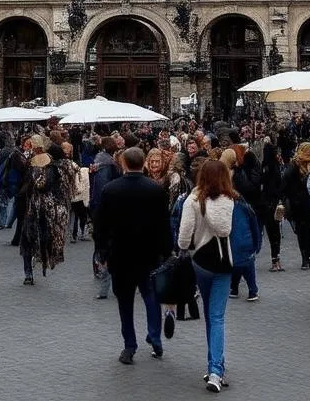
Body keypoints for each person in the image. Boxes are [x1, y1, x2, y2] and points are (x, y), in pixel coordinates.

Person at [94, 146, 173, 364]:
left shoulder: (110, 190)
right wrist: (167, 252)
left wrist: (101, 251)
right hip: (149, 253)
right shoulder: (155, 190)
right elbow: (164, 225)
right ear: (143, 163)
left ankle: (129, 345)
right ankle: (155, 337)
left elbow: (100, 224)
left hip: (120, 253)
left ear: (124, 164)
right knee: (151, 296)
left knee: (125, 301)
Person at [178, 158, 236, 393]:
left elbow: (183, 237)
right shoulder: (230, 200)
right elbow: (225, 229)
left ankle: (215, 365)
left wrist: (184, 248)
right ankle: (216, 369)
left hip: (201, 262)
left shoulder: (192, 199)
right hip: (223, 263)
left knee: (210, 316)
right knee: (218, 316)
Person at [17, 137, 71, 285]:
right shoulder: (46, 165)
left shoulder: (51, 166)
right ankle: (29, 272)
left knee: (36, 239)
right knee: (30, 239)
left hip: (42, 210)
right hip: (37, 209)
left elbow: (43, 185)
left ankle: (32, 269)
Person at [89, 134, 122, 299]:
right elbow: (105, 188)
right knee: (107, 245)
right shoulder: (108, 162)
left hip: (100, 208)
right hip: (106, 209)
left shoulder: (100, 159)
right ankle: (104, 275)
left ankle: (102, 272)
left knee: (103, 243)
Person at [280, 141, 310, 269]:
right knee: (303, 232)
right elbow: (284, 187)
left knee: (305, 232)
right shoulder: (295, 167)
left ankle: (306, 258)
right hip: (300, 205)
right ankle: (306, 257)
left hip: (306, 204)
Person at [228, 186, 262, 301]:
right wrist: (257, 243)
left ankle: (235, 288)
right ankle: (252, 290)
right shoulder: (246, 207)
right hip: (246, 242)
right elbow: (255, 227)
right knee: (247, 266)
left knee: (236, 266)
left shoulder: (227, 208)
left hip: (234, 242)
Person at [259, 139, 284, 272]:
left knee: (271, 231)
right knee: (276, 232)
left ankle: (274, 259)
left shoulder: (265, 167)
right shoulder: (276, 166)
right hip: (275, 202)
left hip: (266, 202)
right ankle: (277, 258)